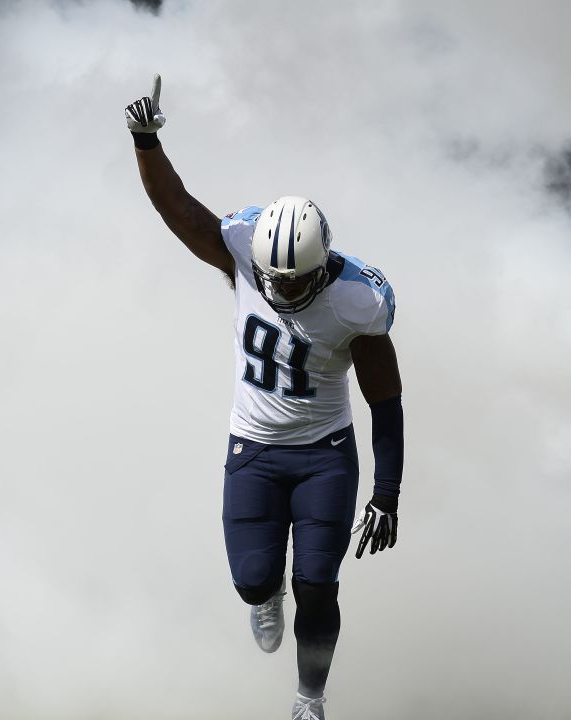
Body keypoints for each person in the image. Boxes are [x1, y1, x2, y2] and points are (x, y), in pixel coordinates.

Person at [126, 74, 404, 720]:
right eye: (271, 278)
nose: (278, 290)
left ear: (321, 265)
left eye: (293, 280)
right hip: (253, 447)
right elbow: (181, 210)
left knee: (318, 584)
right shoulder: (247, 254)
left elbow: (385, 400)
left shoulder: (355, 303)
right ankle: (263, 592)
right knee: (255, 578)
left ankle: (310, 699)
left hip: (324, 455)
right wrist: (145, 142)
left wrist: (386, 491)